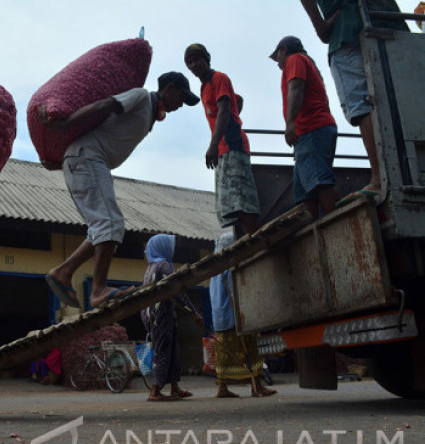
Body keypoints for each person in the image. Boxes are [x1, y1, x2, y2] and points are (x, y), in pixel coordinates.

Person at [42, 72, 200, 309]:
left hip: (87, 160)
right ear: (169, 88)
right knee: (111, 224)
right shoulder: (142, 97)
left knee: (101, 229)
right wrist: (65, 124)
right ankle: (98, 291)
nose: (181, 104)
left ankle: (63, 272)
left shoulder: (149, 116)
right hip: (88, 158)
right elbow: (105, 105)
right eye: (181, 97)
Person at [301, 0, 409, 200]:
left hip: (347, 31)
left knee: (363, 106)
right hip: (393, 28)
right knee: (403, 103)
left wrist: (321, 29)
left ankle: (379, 179)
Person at [184, 43, 261, 239]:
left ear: (206, 59)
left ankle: (257, 242)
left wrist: (212, 145)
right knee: (231, 205)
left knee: (240, 200)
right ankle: (248, 242)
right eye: (190, 62)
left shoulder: (219, 78)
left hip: (233, 145)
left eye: (197, 59)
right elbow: (237, 100)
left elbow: (225, 109)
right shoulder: (205, 86)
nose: (194, 65)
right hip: (222, 149)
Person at [270, 36, 341, 217]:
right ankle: (316, 237)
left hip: (312, 129)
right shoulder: (307, 62)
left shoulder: (295, 59)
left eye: (276, 56)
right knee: (305, 195)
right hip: (308, 134)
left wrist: (290, 123)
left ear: (283, 50)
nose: (277, 62)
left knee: (320, 183)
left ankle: (341, 227)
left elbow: (296, 88)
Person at [209, 232, 276, 398]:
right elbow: (236, 291)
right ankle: (257, 386)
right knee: (251, 350)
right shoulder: (231, 266)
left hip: (220, 318)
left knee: (224, 354)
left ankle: (223, 387)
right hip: (236, 316)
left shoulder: (214, 269)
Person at [140, 234, 203, 402]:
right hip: (161, 315)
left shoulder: (151, 267)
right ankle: (155, 391)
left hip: (155, 315)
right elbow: (177, 291)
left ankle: (175, 388)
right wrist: (193, 312)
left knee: (172, 350)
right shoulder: (164, 265)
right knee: (164, 351)